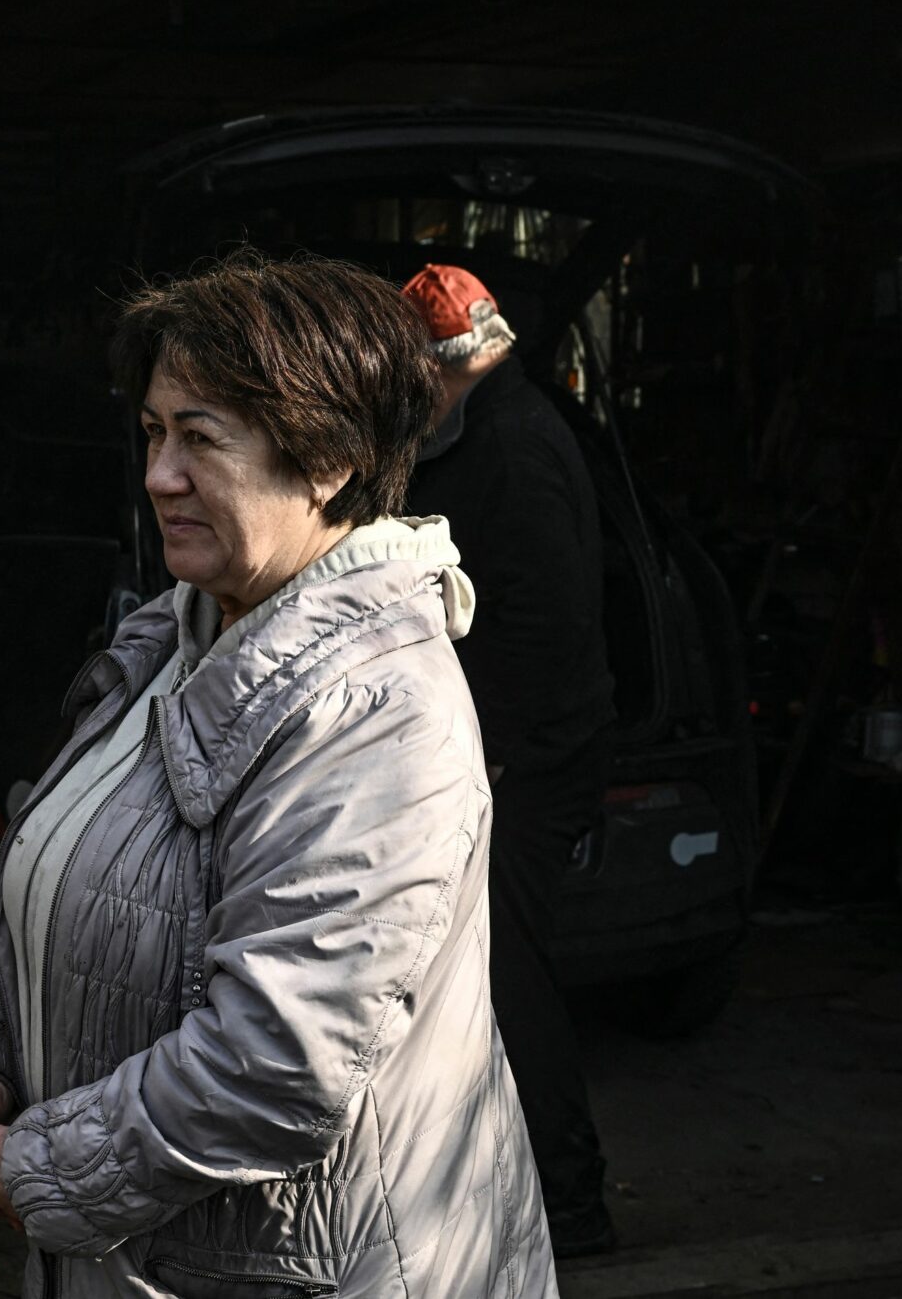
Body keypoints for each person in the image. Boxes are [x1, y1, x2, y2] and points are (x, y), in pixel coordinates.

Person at [0, 252, 558, 1297]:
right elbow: (74, 895)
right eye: (151, 432)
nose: (156, 475)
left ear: (323, 462)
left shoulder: (374, 712)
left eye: (199, 438)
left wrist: (41, 1165)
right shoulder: (173, 642)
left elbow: (277, 1061)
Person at [399, 263, 618, 1257]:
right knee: (491, 980)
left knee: (509, 984)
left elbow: (541, 627)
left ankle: (568, 1206)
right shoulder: (493, 431)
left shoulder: (512, 450)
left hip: (521, 766)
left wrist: (489, 759)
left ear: (450, 367)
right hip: (516, 754)